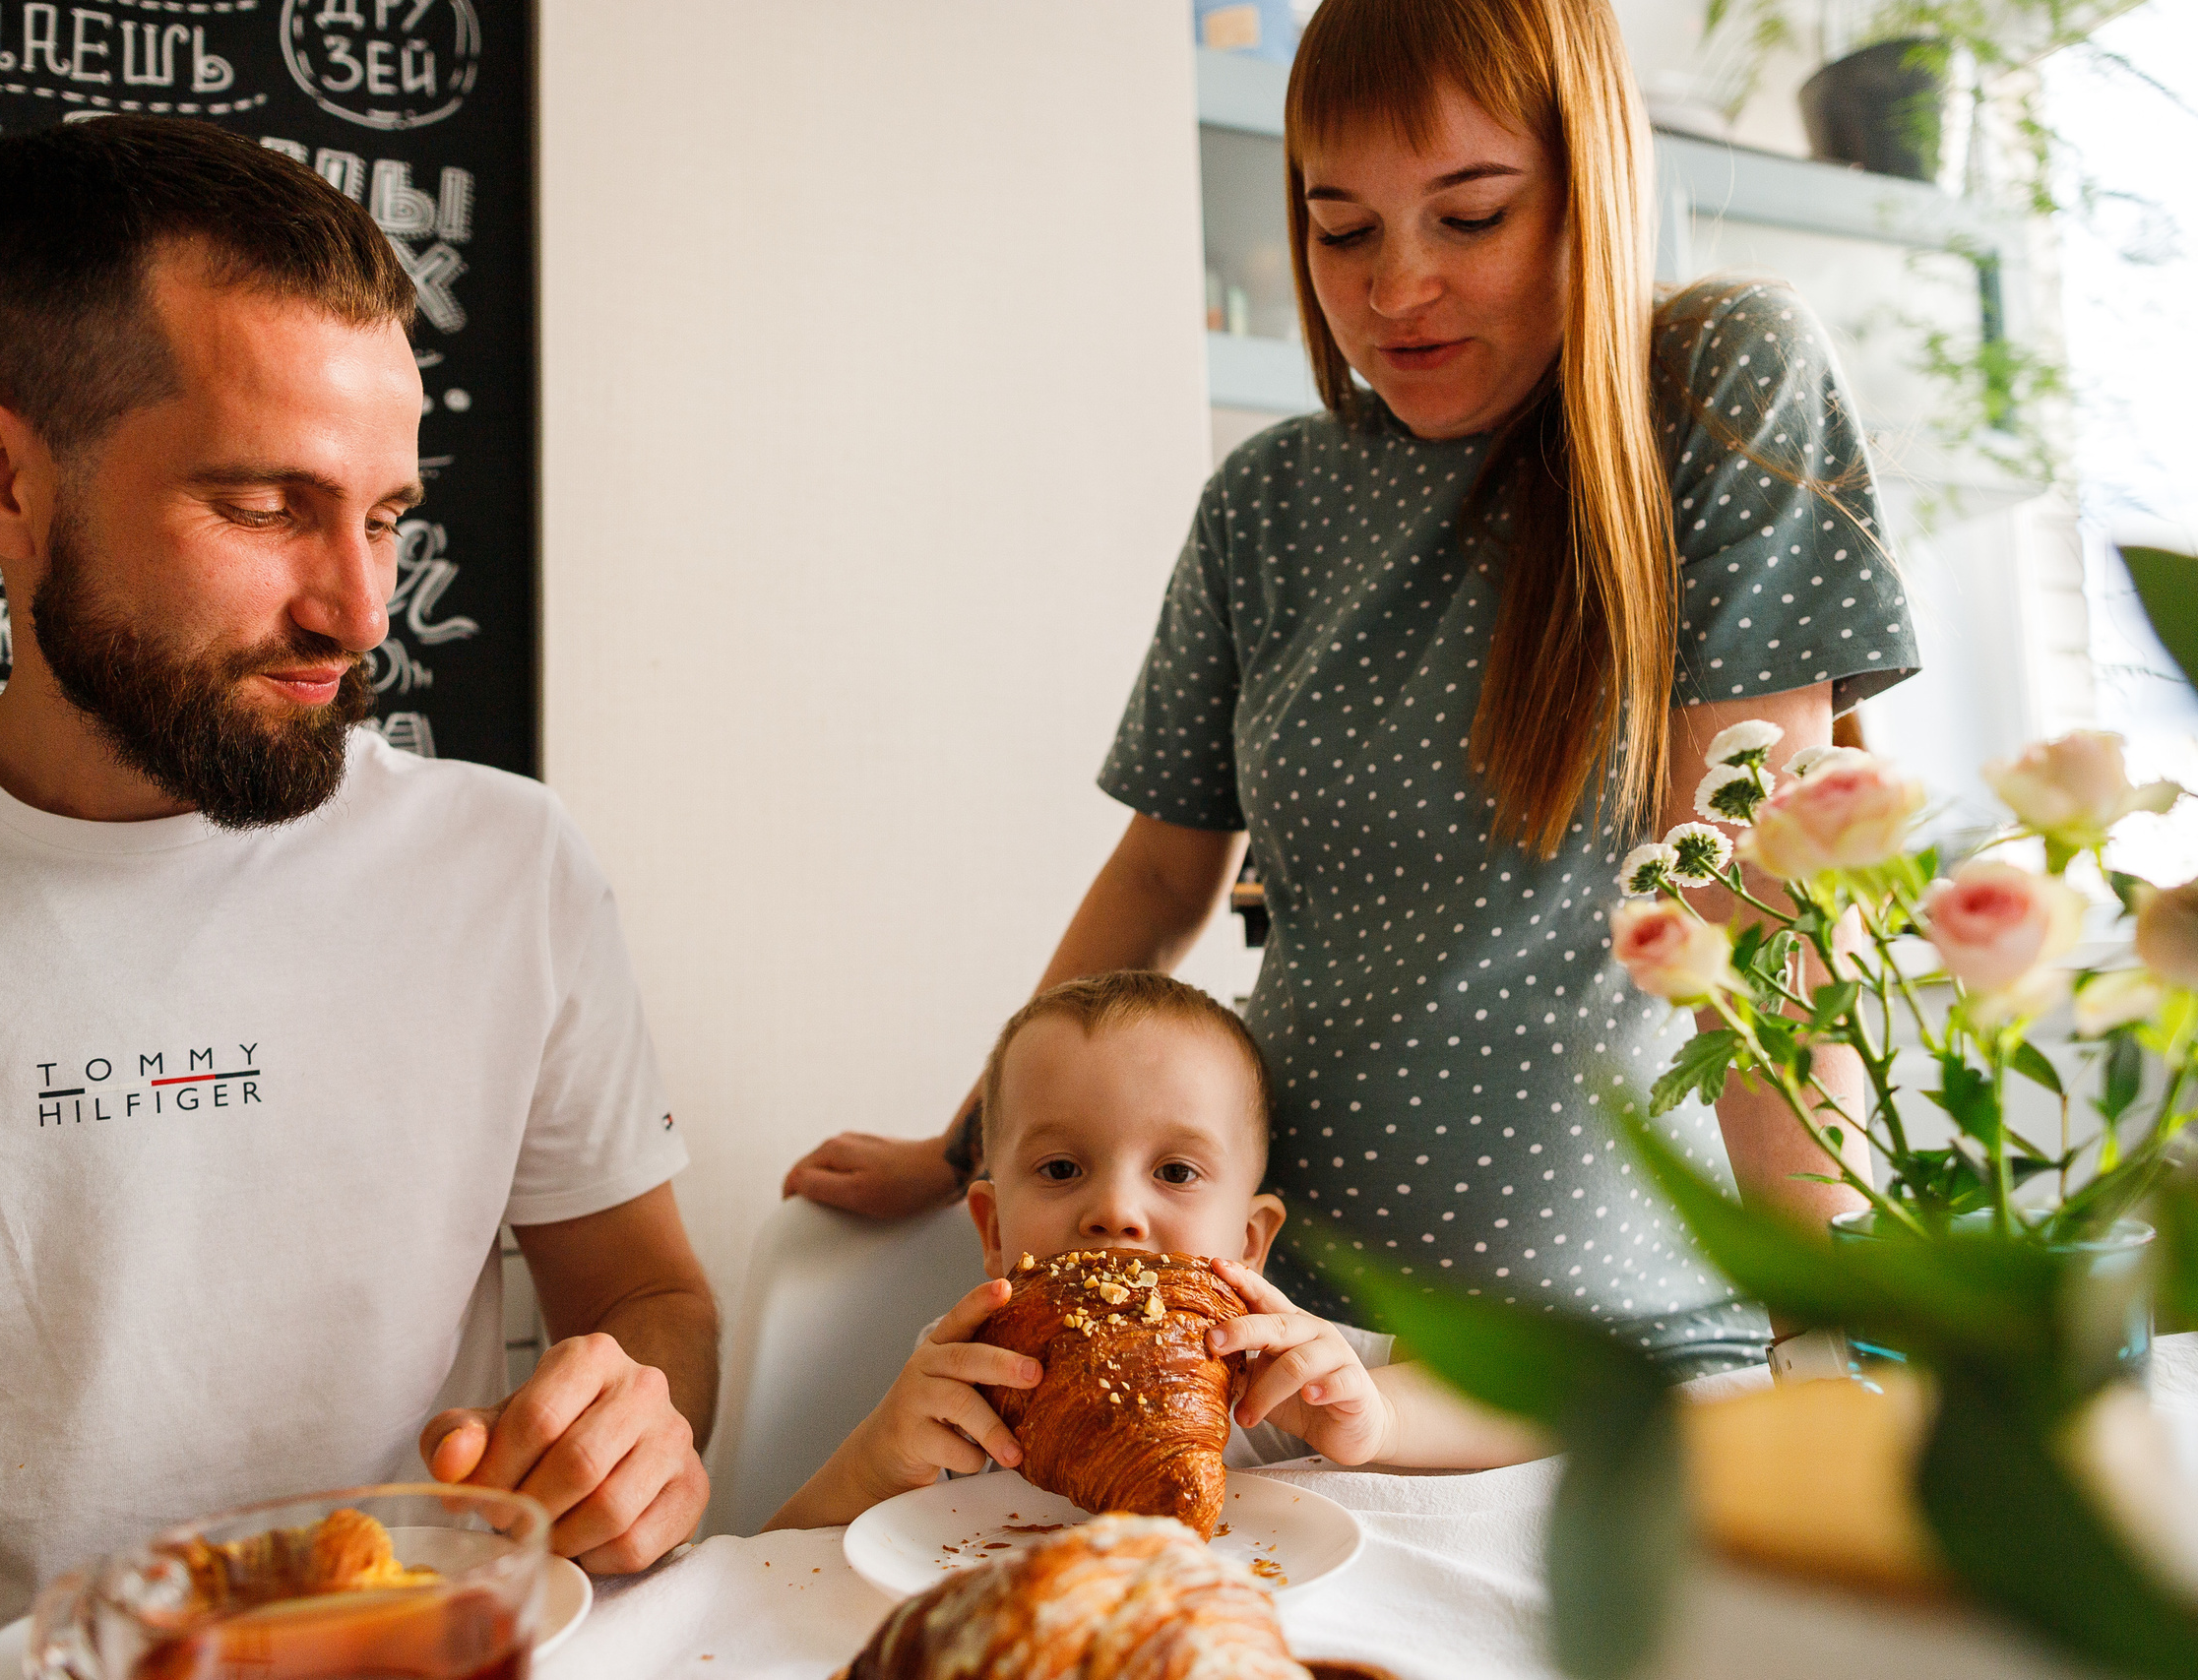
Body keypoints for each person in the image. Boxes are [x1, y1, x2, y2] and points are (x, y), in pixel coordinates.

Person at [786, 0, 1918, 1374]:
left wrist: (1821, 1335)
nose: (1395, 289)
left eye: (1470, 217)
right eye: (1341, 229)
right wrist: (964, 1143)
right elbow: (1158, 874)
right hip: (1286, 1328)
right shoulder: (1266, 502)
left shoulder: (1720, 378)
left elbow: (1752, 888)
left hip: (1616, 1358)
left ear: (1590, 191)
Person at [0, 118, 715, 1652]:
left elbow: (650, 1298)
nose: (360, 610)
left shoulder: (507, 865)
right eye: (268, 505)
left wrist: (631, 1428)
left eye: (386, 516)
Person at [768, 973, 1542, 1530]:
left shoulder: (1279, 1365)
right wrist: (876, 1459)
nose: (1115, 1210)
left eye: (1175, 1172)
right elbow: (772, 1563)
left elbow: (1545, 1410)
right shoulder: (964, 1372)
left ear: (1250, 1240)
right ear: (993, 1229)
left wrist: (1384, 1417)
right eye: (1061, 1168)